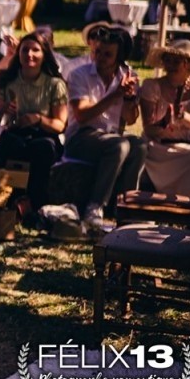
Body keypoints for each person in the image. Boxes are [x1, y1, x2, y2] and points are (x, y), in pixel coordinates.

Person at [62, 27, 143, 230]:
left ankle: (126, 209)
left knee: (140, 146)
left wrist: (130, 97)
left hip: (111, 136)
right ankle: (95, 207)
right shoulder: (79, 75)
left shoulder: (128, 75)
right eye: (97, 52)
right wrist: (115, 95)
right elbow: (82, 115)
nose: (100, 58)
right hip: (80, 137)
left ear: (119, 57)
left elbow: (130, 119)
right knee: (120, 146)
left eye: (108, 54)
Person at [0, 31, 68, 219]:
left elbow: (60, 124)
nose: (29, 55)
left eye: (35, 50)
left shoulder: (55, 84)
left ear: (44, 54)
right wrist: (1, 109)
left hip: (44, 134)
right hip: (15, 133)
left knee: (42, 149)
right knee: (10, 146)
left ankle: (35, 202)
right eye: (25, 50)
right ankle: (11, 200)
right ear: (18, 53)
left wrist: (38, 119)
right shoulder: (6, 80)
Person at [139, 39, 190, 198]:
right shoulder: (152, 86)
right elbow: (149, 128)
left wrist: (183, 115)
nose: (170, 65)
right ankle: (177, 202)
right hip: (160, 144)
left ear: (188, 64)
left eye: (176, 61)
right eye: (167, 59)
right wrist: (165, 122)